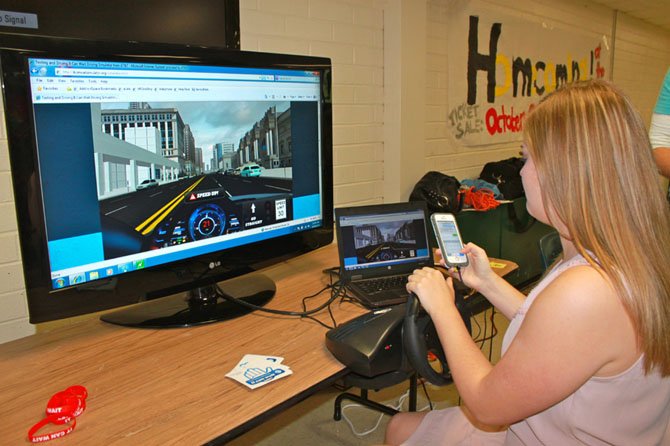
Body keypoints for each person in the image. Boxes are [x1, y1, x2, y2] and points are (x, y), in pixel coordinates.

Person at [385, 80, 670, 445]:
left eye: (527, 157)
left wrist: (443, 309)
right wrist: (487, 282)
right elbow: (559, 337)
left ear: (568, 170)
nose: (520, 172)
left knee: (400, 428)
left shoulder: (586, 291)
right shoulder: (621, 255)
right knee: (402, 427)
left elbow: (487, 405)